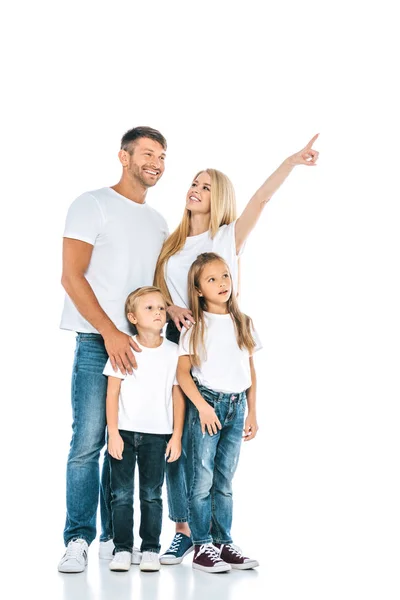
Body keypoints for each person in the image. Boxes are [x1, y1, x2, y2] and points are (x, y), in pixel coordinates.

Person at [154, 134, 319, 564]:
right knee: (180, 446)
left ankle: (211, 536)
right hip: (180, 344)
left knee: (211, 463)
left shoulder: (225, 237)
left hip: (217, 347)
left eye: (207, 186)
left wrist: (290, 162)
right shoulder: (170, 242)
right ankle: (185, 531)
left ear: (219, 197)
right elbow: (159, 289)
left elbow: (262, 200)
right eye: (194, 182)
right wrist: (170, 307)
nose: (197, 189)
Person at [58, 126, 169, 574]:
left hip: (143, 348)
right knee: (88, 441)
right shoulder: (92, 204)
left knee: (128, 443)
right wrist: (108, 332)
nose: (155, 163)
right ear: (124, 157)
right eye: (146, 153)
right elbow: (72, 276)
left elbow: (153, 288)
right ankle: (78, 538)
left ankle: (113, 536)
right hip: (96, 341)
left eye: (162, 156)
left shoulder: (158, 221)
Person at [177, 252, 261, 572]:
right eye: (211, 279)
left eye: (224, 275)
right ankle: (202, 545)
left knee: (224, 479)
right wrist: (203, 408)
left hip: (236, 406)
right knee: (202, 479)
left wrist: (252, 412)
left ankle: (224, 542)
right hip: (207, 407)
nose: (222, 283)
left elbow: (250, 372)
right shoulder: (195, 326)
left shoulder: (243, 323)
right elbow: (183, 373)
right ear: (199, 289)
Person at [104, 287, 185, 572]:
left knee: (152, 493)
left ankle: (150, 548)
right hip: (123, 433)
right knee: (121, 494)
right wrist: (112, 433)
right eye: (149, 308)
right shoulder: (124, 347)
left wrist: (176, 435)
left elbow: (178, 395)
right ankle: (123, 548)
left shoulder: (174, 352)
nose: (158, 312)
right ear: (132, 317)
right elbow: (112, 392)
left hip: (157, 435)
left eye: (161, 308)